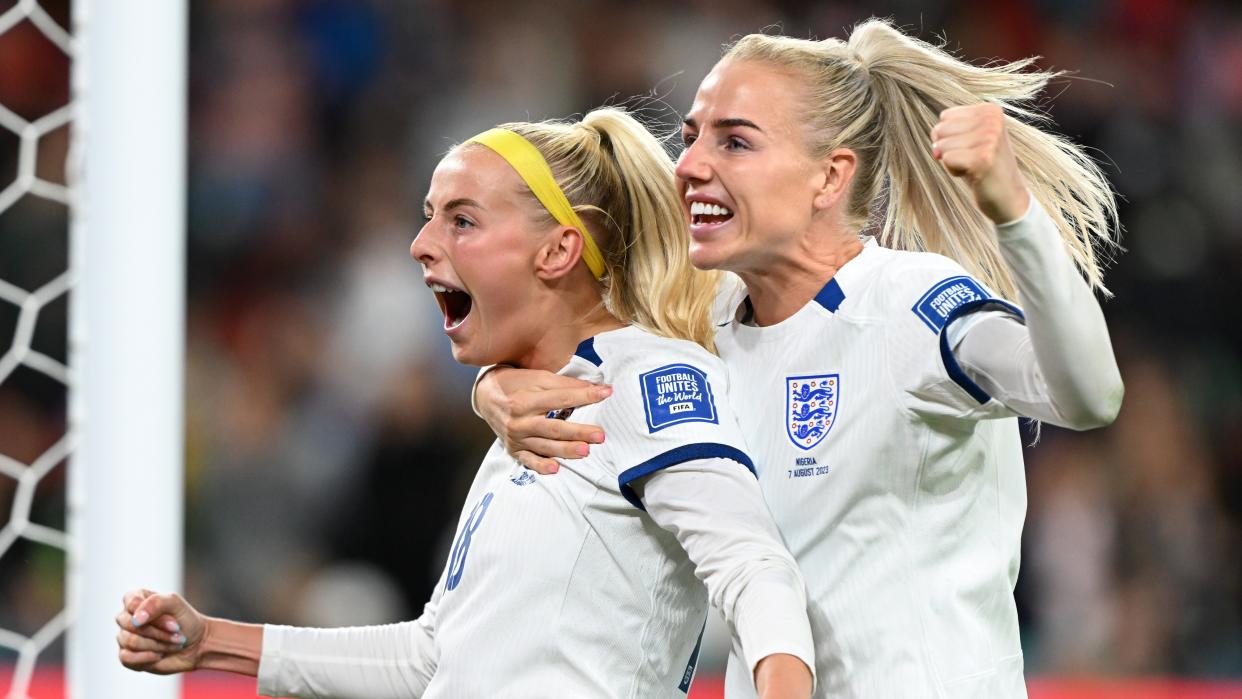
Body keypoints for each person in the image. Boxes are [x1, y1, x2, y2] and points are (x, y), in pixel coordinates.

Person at [473, 19, 1125, 699]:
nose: (691, 165)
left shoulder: (910, 304)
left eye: (735, 142)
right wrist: (493, 388)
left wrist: (1014, 212)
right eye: (692, 136)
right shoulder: (700, 326)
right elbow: (557, 335)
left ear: (829, 177)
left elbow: (1087, 395)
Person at [114, 109, 817, 698]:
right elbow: (434, 650)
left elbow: (753, 568)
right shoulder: (523, 424)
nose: (421, 245)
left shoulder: (648, 380)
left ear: (557, 251)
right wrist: (212, 641)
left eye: (462, 220)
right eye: (429, 219)